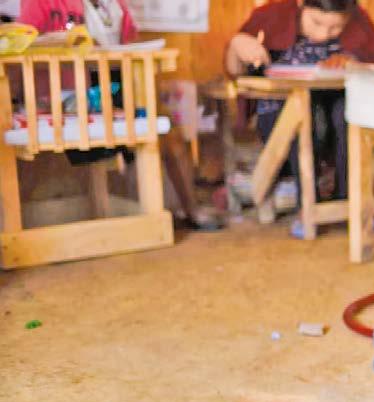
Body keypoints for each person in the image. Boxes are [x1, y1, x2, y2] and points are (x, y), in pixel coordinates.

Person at [18, 0, 223, 230]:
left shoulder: (114, 5)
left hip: (117, 88)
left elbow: (130, 41)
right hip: (65, 96)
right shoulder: (41, 2)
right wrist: (66, 45)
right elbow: (22, 42)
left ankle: (190, 209)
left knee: (169, 132)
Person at [225, 0, 374, 236]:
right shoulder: (270, 15)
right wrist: (237, 45)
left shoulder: (359, 22)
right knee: (306, 114)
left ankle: (349, 202)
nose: (324, 34)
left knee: (348, 111)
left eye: (336, 28)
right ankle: (308, 207)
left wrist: (353, 65)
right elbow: (234, 71)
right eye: (316, 23)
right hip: (282, 113)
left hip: (336, 115)